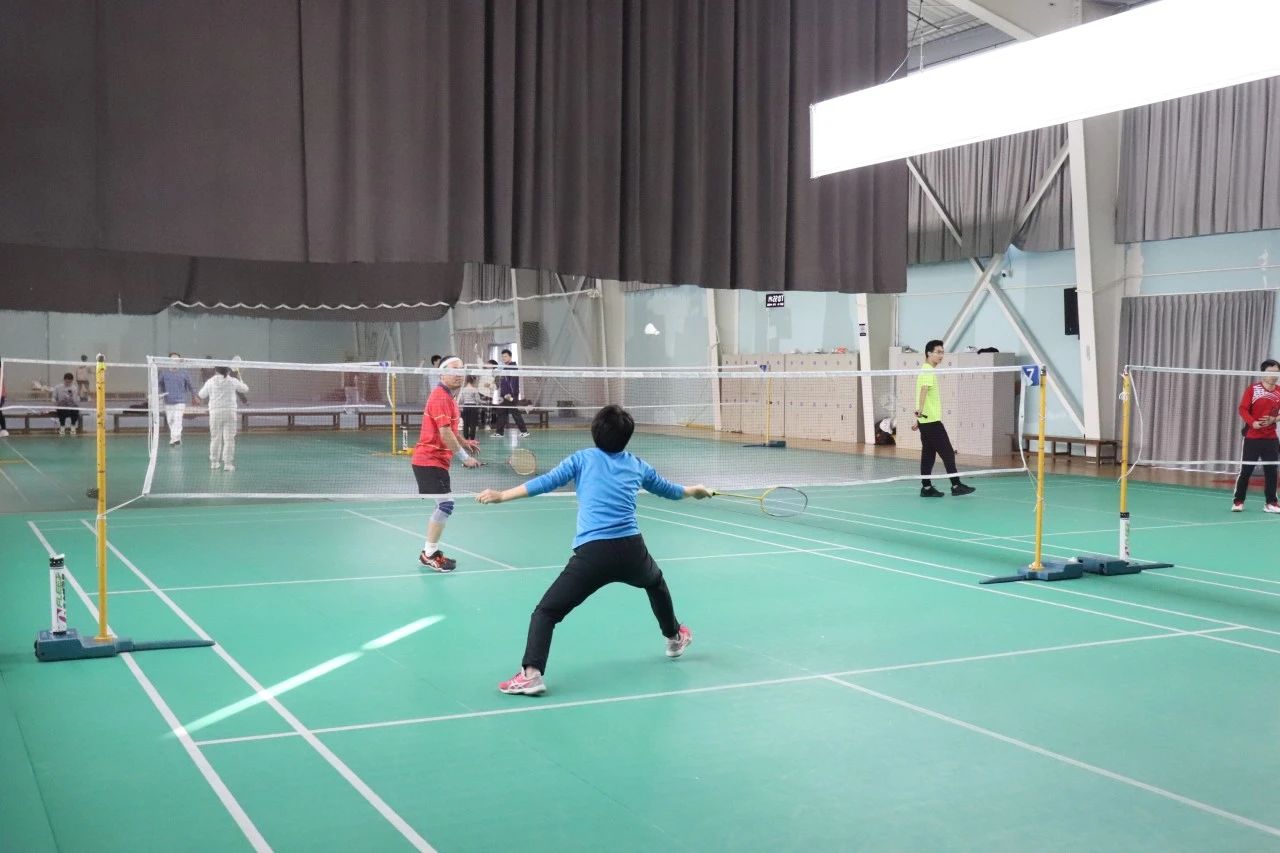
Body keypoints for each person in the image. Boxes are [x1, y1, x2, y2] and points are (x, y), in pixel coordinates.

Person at [478, 404, 711, 696]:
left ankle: (531, 674)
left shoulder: (582, 459)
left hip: (593, 555)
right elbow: (669, 490)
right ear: (627, 437)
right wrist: (694, 491)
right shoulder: (637, 465)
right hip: (632, 551)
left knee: (546, 612)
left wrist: (502, 495)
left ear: (595, 432)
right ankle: (674, 637)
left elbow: (545, 482)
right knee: (655, 583)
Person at [412, 355, 481, 571]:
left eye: (461, 370)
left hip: (438, 461)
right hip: (428, 460)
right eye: (453, 370)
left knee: (444, 504)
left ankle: (429, 552)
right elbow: (444, 434)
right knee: (445, 504)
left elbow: (451, 430)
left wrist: (464, 441)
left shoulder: (449, 397)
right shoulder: (440, 397)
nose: (459, 374)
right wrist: (465, 458)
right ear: (442, 373)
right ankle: (429, 554)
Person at [914, 340, 974, 498]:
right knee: (947, 453)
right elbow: (924, 390)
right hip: (932, 422)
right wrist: (920, 410)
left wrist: (918, 419)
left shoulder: (926, 370)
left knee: (928, 455)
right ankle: (956, 485)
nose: (941, 355)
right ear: (929, 353)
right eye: (938, 352)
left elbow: (923, 394)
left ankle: (926, 488)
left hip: (925, 421)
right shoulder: (927, 370)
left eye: (942, 352)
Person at [1232, 358, 1280, 513]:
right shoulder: (1253, 389)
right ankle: (1238, 501)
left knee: (1271, 471)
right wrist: (1253, 423)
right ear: (1262, 373)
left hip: (1271, 438)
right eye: (1270, 372)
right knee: (1246, 471)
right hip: (1252, 437)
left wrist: (1274, 419)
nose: (1274, 375)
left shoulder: (1279, 391)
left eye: (1277, 372)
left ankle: (1271, 503)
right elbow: (1242, 409)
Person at [197, 365, 249, 471]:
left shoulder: (210, 381)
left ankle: (214, 463)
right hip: (230, 413)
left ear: (216, 371)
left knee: (215, 438)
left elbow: (201, 395)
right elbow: (245, 389)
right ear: (228, 371)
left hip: (215, 413)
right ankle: (228, 464)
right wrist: (241, 380)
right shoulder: (233, 381)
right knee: (229, 439)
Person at [158, 352, 197, 446]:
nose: (175, 361)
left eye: (177, 359)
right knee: (171, 420)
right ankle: (176, 439)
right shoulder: (164, 373)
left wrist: (194, 395)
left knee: (178, 419)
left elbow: (191, 386)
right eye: (173, 359)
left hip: (180, 401)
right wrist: (160, 394)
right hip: (168, 401)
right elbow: (159, 385)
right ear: (169, 361)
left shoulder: (184, 373)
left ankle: (174, 439)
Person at [493, 349, 530, 438]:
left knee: (514, 413)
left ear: (510, 357)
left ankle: (524, 431)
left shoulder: (512, 367)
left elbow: (513, 382)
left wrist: (510, 394)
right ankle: (500, 432)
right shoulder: (504, 367)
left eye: (505, 356)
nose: (504, 358)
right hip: (504, 395)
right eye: (502, 356)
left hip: (509, 395)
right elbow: (501, 380)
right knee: (503, 412)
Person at [457, 375, 483, 441]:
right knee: (472, 424)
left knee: (465, 423)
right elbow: (478, 400)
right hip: (473, 408)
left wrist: (461, 407)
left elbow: (461, 400)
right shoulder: (475, 389)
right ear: (473, 381)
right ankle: (472, 439)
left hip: (465, 407)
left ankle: (466, 439)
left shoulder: (463, 390)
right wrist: (484, 402)